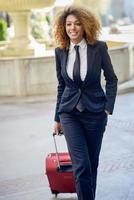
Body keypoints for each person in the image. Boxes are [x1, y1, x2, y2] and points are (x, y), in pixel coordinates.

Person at [53, 5, 118, 200]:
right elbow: (61, 85)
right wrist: (57, 117)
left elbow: (112, 79)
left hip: (95, 114)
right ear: (63, 27)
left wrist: (107, 108)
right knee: (81, 165)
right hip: (69, 114)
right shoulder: (60, 52)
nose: (72, 28)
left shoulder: (98, 48)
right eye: (68, 24)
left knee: (91, 164)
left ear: (85, 25)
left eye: (77, 24)